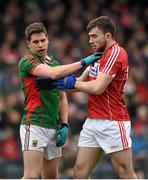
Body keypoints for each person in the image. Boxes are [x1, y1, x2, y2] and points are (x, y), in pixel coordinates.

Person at [36, 16, 138, 179]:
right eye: (89, 36)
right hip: (93, 121)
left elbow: (97, 88)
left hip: (112, 121)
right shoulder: (97, 56)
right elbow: (78, 83)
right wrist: (56, 84)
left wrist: (71, 84)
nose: (90, 40)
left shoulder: (116, 54)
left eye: (94, 36)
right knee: (79, 173)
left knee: (124, 172)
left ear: (107, 36)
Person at [18, 22, 102, 179]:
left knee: (51, 177)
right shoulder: (27, 61)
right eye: (35, 42)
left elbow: (63, 94)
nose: (40, 45)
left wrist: (64, 124)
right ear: (28, 44)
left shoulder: (53, 63)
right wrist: (83, 62)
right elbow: (52, 74)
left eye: (43, 40)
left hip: (53, 127)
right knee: (32, 176)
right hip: (34, 124)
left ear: (48, 40)